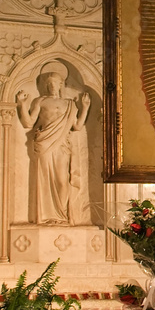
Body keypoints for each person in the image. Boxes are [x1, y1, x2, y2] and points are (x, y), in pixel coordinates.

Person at [16, 61, 91, 225]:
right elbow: (28, 123)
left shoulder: (70, 104)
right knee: (44, 180)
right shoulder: (40, 101)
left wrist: (85, 107)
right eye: (48, 83)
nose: (51, 86)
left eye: (55, 83)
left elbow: (77, 126)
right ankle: (46, 216)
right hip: (44, 146)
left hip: (62, 146)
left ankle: (61, 215)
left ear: (60, 84)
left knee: (63, 181)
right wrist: (22, 105)